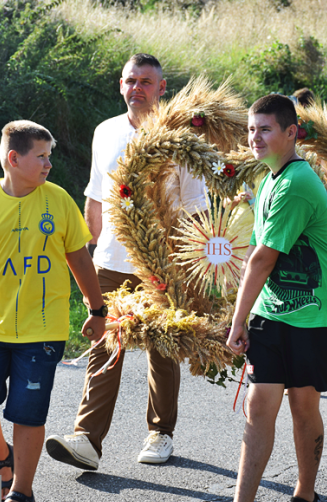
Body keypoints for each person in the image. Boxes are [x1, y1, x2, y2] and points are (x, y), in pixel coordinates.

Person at [44, 54, 208, 470]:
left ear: (162, 87)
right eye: (131, 80)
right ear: (120, 85)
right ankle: (86, 439)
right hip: (111, 259)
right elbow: (95, 194)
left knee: (162, 348)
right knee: (103, 342)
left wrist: (193, 265)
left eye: (146, 81)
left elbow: (195, 204)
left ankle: (160, 432)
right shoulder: (106, 131)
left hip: (163, 262)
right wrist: (89, 246)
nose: (137, 87)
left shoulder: (180, 135)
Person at [0, 120, 107, 502]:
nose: (49, 164)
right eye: (42, 157)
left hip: (43, 330)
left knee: (26, 411)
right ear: (14, 159)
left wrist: (97, 309)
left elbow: (79, 260)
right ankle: (4, 460)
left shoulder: (59, 201)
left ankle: (22, 495)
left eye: (50, 156)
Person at [224, 94, 327, 502]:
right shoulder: (268, 180)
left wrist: (236, 321)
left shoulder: (296, 182)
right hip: (275, 312)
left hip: (315, 316)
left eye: (265, 129)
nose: (255, 137)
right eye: (251, 129)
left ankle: (306, 496)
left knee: (303, 406)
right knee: (259, 406)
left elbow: (263, 258)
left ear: (291, 133)